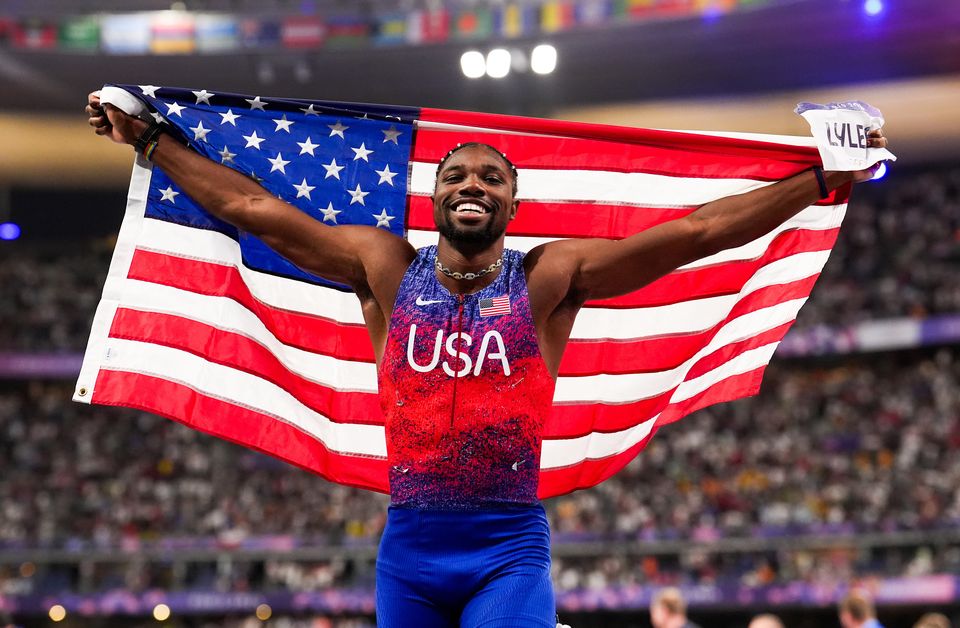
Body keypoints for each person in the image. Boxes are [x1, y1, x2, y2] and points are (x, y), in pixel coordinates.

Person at [86, 91, 887, 628]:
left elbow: (693, 236)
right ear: (436, 197)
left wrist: (818, 177)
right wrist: (154, 139)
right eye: (458, 174)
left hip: (506, 545)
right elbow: (253, 209)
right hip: (409, 549)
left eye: (491, 177)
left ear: (513, 201)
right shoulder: (383, 267)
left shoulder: (549, 278)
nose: (473, 184)